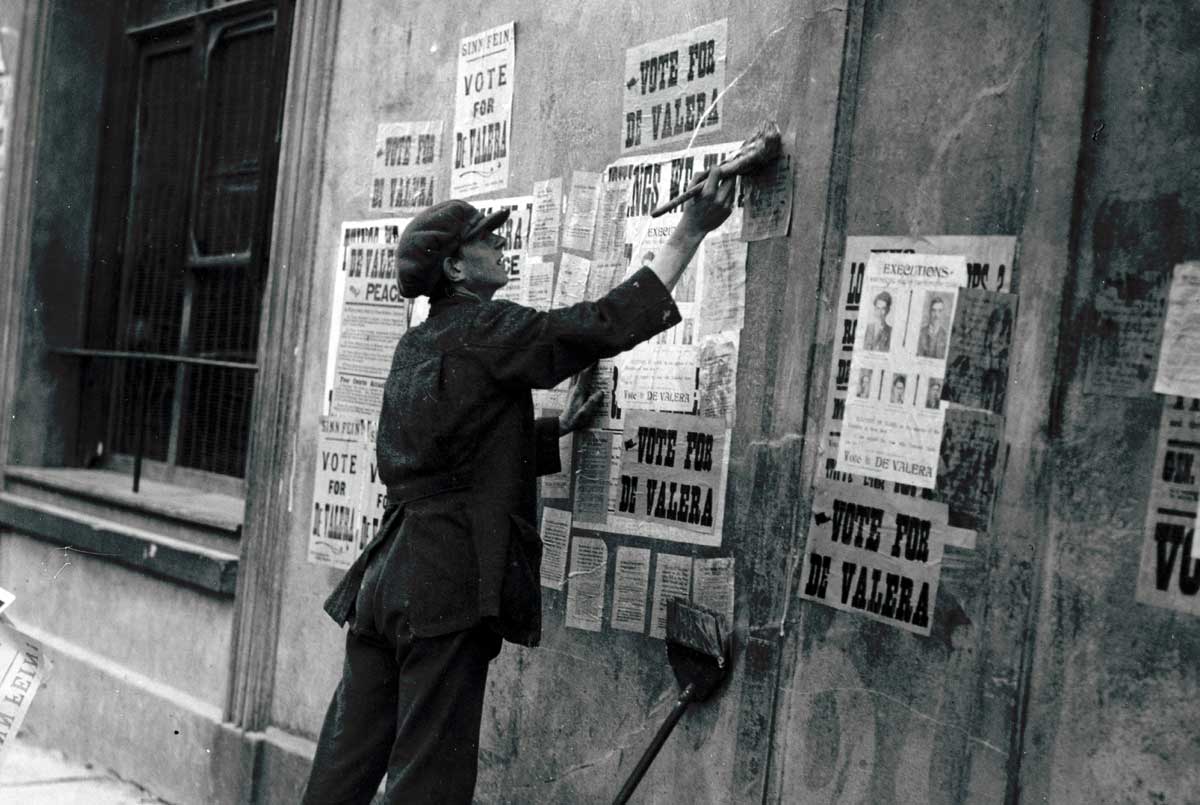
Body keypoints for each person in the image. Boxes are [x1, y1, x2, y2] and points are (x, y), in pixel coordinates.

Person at [301, 170, 736, 804]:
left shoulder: (415, 345)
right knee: (429, 784)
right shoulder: (487, 327)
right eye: (485, 241)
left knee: (341, 772)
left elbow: (440, 456)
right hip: (444, 584)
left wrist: (557, 428)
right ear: (454, 268)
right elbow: (600, 325)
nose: (500, 246)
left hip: (382, 580)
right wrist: (689, 232)